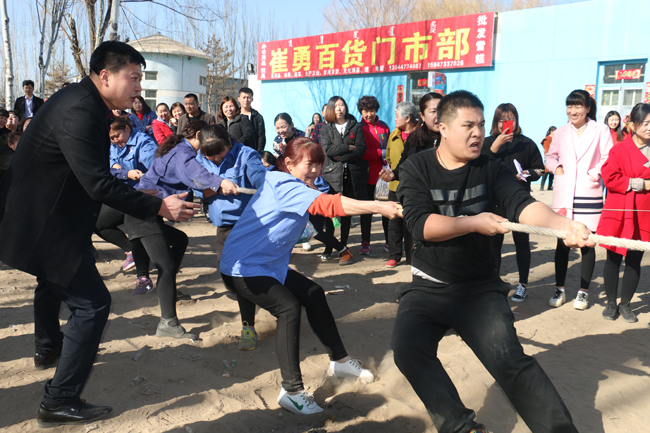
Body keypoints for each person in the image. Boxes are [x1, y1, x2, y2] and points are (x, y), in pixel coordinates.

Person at [0, 40, 198, 428]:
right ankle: (58, 400)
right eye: (134, 78)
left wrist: (141, 193)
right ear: (105, 76)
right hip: (42, 224)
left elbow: (89, 176)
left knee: (52, 282)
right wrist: (159, 206)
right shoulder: (80, 109)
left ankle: (47, 348)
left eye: (141, 78)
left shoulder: (84, 102)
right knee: (92, 306)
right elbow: (96, 183)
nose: (139, 87)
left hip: (47, 221)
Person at [392, 90, 589, 433]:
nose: (478, 133)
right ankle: (460, 425)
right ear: (442, 126)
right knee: (408, 348)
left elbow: (521, 203)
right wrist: (473, 221)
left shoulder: (490, 167)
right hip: (429, 286)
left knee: (509, 360)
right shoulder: (416, 167)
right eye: (468, 125)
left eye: (481, 125)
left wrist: (563, 225)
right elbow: (421, 226)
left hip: (480, 288)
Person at [220, 137, 401, 415]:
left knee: (313, 294)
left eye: (319, 164)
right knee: (289, 308)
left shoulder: (285, 180)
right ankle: (291, 392)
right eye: (309, 164)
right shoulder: (285, 185)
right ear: (289, 163)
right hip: (243, 267)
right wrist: (378, 206)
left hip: (268, 265)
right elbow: (330, 206)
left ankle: (340, 361)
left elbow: (319, 202)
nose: (315, 170)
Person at [124, 120, 228, 339]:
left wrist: (216, 188)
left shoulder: (179, 148)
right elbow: (196, 176)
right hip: (142, 213)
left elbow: (198, 184)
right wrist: (220, 182)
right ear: (199, 134)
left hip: (147, 210)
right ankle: (168, 324)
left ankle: (169, 289)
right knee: (166, 266)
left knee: (179, 240)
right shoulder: (183, 154)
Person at [194, 125, 267, 350]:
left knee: (240, 277)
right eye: (211, 156)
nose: (216, 158)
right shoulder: (200, 159)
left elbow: (262, 183)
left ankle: (248, 327)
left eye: (221, 153)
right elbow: (197, 189)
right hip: (222, 228)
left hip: (246, 226)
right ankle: (263, 297)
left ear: (229, 142)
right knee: (228, 278)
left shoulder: (247, 156)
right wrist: (217, 186)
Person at [545, 89, 613, 310]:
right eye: (569, 106)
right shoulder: (561, 132)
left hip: (588, 191)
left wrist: (594, 173)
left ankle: (583, 292)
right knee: (561, 243)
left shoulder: (600, 130)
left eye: (577, 106)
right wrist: (557, 169)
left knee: (587, 243)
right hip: (564, 193)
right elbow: (550, 156)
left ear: (587, 108)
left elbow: (608, 157)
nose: (573, 111)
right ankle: (560, 288)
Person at [482, 103, 544, 302]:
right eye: (502, 120)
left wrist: (528, 173)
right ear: (495, 121)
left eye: (510, 119)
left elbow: (539, 169)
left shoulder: (526, 143)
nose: (506, 123)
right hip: (494, 202)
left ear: (516, 121)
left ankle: (522, 284)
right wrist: (495, 146)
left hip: (519, 200)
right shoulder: (487, 142)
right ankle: (493, 284)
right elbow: (479, 166)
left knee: (522, 244)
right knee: (493, 246)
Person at [597, 103, 650, 323]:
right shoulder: (618, 149)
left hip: (644, 211)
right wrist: (635, 183)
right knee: (613, 257)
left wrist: (644, 185)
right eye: (646, 123)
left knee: (635, 258)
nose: (649, 127)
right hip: (619, 209)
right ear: (632, 125)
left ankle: (626, 304)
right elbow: (609, 177)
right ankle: (611, 303)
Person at [95, 116, 157, 290]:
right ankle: (130, 250)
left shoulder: (144, 143)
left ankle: (144, 278)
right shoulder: (114, 146)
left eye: (117, 136)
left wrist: (126, 172)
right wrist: (126, 173)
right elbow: (110, 168)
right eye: (112, 138)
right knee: (99, 223)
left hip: (142, 195)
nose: (115, 141)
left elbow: (154, 167)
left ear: (127, 129)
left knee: (139, 232)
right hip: (123, 193)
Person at [320, 96, 368, 264]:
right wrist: (348, 147)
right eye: (335, 106)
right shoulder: (327, 128)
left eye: (342, 105)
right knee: (330, 214)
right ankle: (328, 247)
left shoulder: (356, 126)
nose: (339, 108)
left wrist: (341, 156)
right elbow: (328, 150)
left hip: (351, 175)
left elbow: (361, 149)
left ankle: (343, 245)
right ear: (331, 110)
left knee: (346, 212)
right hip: (332, 176)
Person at [379, 92, 443, 186]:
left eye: (441, 111)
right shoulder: (414, 139)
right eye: (433, 111)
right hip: (418, 195)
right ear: (422, 116)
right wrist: (394, 174)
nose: (438, 115)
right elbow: (404, 165)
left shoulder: (453, 139)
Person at [385, 101, 418, 267]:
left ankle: (413, 256)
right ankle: (394, 255)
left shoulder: (421, 136)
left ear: (408, 118)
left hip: (414, 186)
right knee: (394, 222)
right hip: (395, 184)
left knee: (410, 223)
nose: (395, 119)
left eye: (397, 116)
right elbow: (390, 157)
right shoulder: (394, 134)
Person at [358, 95, 390, 255]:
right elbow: (360, 153)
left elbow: (390, 148)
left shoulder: (384, 127)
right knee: (367, 211)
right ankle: (365, 242)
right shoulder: (358, 128)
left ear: (376, 110)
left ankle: (389, 241)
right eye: (365, 111)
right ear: (361, 112)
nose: (368, 114)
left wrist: (387, 155)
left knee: (385, 210)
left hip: (384, 176)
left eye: (371, 110)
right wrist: (379, 152)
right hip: (367, 176)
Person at [238, 87, 266, 153]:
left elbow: (261, 137)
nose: (246, 100)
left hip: (253, 151)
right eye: (244, 97)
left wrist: (259, 152)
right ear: (239, 99)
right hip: (237, 151)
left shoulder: (257, 117)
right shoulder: (234, 116)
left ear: (252, 99)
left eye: (248, 97)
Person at [539, 126, 557, 191]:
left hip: (554, 158)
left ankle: (549, 186)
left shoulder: (555, 139)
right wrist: (548, 158)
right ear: (551, 131)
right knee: (546, 172)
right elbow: (546, 149)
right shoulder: (547, 139)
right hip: (548, 158)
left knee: (552, 173)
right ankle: (542, 186)